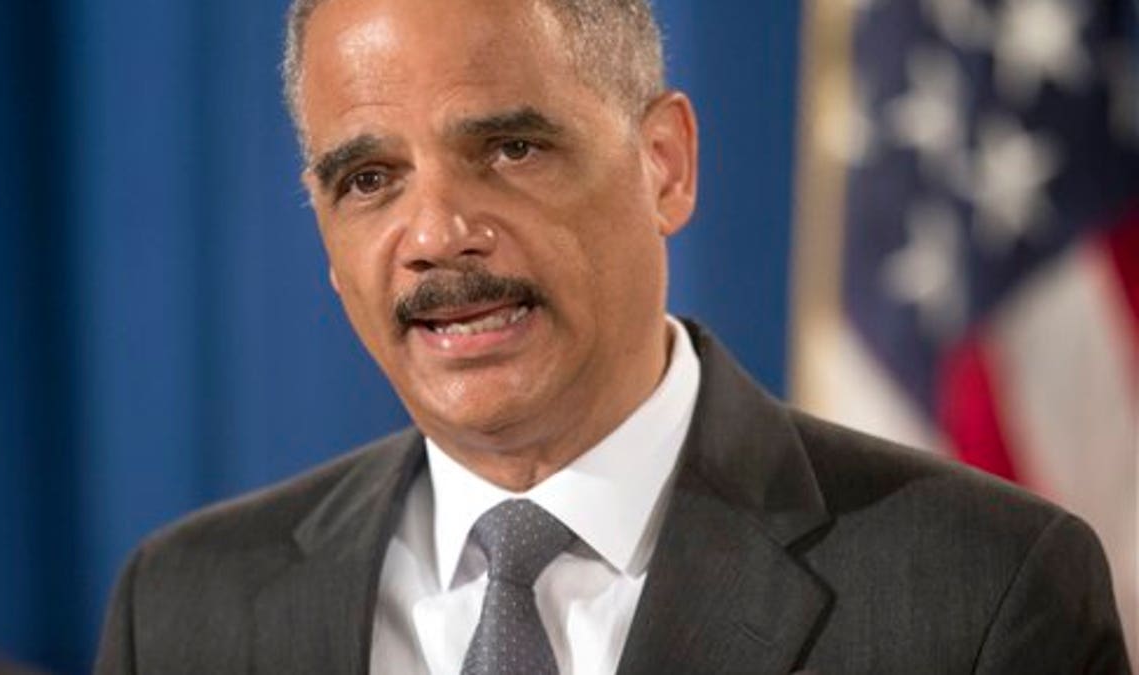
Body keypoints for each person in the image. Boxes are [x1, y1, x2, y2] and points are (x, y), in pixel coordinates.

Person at [94, 0, 1131, 673]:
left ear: (665, 165)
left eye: (509, 147)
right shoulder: (186, 611)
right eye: (369, 180)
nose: (435, 233)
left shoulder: (982, 594)